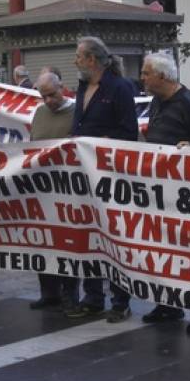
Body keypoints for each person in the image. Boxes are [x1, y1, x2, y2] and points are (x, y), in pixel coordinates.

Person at [139, 53, 190, 334]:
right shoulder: (156, 102)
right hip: (162, 193)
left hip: (189, 196)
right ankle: (169, 304)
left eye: (146, 73)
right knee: (165, 250)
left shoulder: (189, 104)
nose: (143, 78)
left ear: (162, 77)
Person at [66, 37, 138, 322]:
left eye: (78, 56)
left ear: (92, 60)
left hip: (109, 176)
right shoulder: (84, 86)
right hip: (83, 174)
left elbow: (129, 133)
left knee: (113, 237)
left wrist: (102, 142)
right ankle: (92, 296)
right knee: (88, 235)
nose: (75, 61)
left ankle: (120, 300)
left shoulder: (120, 88)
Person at [27, 71, 77, 311]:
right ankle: (49, 292)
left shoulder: (77, 112)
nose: (47, 101)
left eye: (51, 95)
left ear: (62, 88)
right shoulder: (39, 113)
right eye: (43, 96)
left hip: (67, 190)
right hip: (42, 188)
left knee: (67, 244)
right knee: (43, 242)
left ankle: (70, 293)